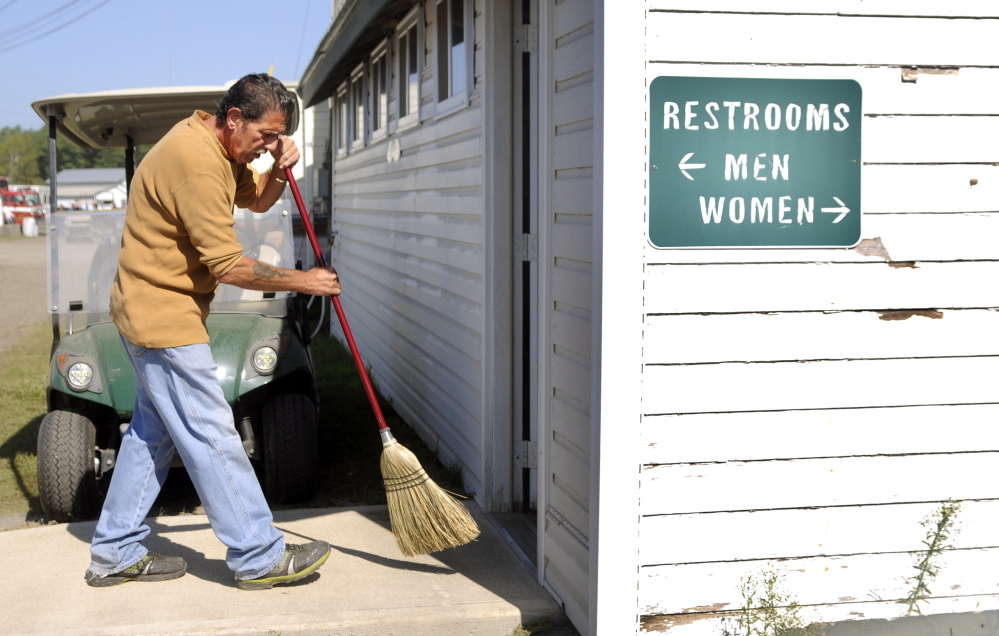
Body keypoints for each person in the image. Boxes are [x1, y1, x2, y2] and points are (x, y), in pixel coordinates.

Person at [85, 74, 341, 590]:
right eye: (266, 135)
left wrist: (278, 164)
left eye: (277, 136)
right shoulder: (196, 162)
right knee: (211, 434)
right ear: (233, 119)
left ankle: (114, 551)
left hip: (150, 309)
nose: (267, 145)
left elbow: (259, 201)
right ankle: (258, 556)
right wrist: (304, 280)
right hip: (163, 318)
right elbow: (226, 264)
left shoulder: (221, 149)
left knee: (150, 435)